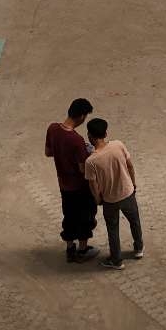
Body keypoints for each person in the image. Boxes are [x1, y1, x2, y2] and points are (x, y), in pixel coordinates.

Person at [84, 118, 143, 270]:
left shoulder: (91, 161)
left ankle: (116, 260)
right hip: (127, 192)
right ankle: (138, 249)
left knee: (113, 229)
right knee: (135, 221)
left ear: (90, 136)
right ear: (105, 133)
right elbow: (130, 166)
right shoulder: (118, 145)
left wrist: (98, 199)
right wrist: (133, 184)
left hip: (110, 199)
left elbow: (93, 185)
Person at [45, 98, 98, 263]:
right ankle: (83, 250)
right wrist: (90, 153)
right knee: (85, 217)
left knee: (69, 216)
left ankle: (70, 248)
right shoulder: (76, 140)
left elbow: (48, 152)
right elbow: (83, 169)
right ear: (82, 116)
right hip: (80, 186)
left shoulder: (53, 128)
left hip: (64, 184)